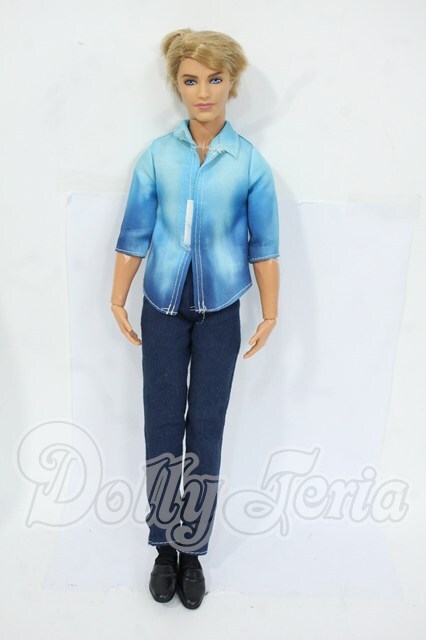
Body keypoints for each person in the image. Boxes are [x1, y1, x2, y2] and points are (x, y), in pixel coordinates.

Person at [110, 28, 280, 609]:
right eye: (190, 79)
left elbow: (264, 246)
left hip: (220, 311)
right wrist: (117, 297)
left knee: (206, 426)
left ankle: (193, 549)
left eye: (214, 78)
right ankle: (163, 545)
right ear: (177, 85)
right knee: (162, 423)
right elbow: (134, 234)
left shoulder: (249, 163)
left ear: (232, 83)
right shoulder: (158, 157)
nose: (203, 91)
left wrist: (271, 311)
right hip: (161, 306)